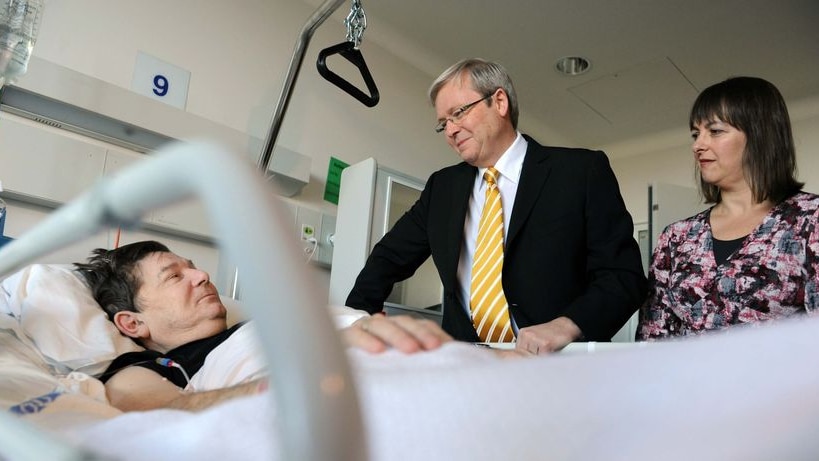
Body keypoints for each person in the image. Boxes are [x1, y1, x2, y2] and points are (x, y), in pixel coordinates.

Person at [345, 58, 647, 354]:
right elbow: (387, 258)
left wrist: (567, 325)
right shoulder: (442, 188)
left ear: (499, 102)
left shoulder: (580, 171)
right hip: (467, 366)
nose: (450, 131)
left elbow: (623, 277)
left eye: (458, 113)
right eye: (443, 123)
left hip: (556, 366)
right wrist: (358, 320)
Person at [74, 240, 454, 412]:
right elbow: (156, 406)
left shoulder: (259, 326)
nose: (202, 275)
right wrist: (301, 376)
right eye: (175, 277)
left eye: (193, 266)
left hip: (422, 364)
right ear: (132, 322)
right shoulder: (149, 368)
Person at [637, 76, 819, 340]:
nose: (698, 145)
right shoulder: (676, 238)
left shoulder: (810, 220)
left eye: (715, 131)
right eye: (696, 133)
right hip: (684, 381)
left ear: (760, 134)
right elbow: (653, 338)